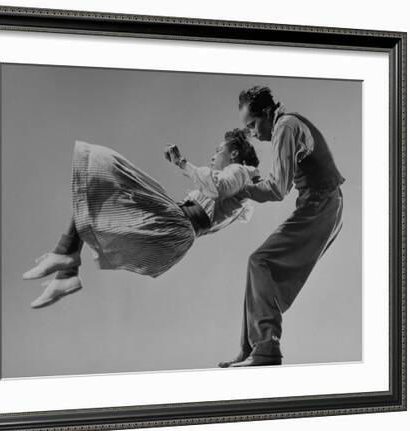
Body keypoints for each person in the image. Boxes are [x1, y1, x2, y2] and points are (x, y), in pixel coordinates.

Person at [23, 129, 260, 309]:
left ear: (234, 154)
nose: (213, 155)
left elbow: (217, 187)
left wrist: (182, 163)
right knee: (98, 199)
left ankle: (65, 258)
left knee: (104, 171)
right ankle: (66, 271)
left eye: (219, 151)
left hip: (177, 223)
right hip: (176, 231)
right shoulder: (241, 190)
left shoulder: (238, 171)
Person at [218, 86, 345, 368]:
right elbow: (278, 181)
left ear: (266, 113)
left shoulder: (285, 127)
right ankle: (251, 347)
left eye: (252, 124)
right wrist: (249, 187)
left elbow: (276, 189)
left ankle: (265, 349)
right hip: (322, 204)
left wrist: (241, 189)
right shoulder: (285, 127)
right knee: (259, 268)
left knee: (260, 261)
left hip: (322, 204)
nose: (251, 132)